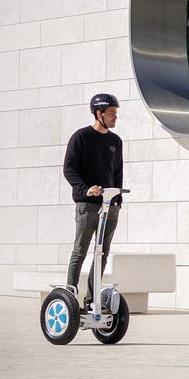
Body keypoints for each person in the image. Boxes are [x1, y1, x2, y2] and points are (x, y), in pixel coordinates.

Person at [63, 94, 124, 310]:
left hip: (109, 207)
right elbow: (69, 169)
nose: (115, 117)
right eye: (111, 113)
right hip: (87, 205)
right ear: (99, 114)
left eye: (116, 113)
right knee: (80, 251)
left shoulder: (116, 141)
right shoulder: (81, 137)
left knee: (102, 254)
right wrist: (85, 189)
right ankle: (70, 296)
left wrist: (118, 199)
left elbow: (117, 173)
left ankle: (91, 300)